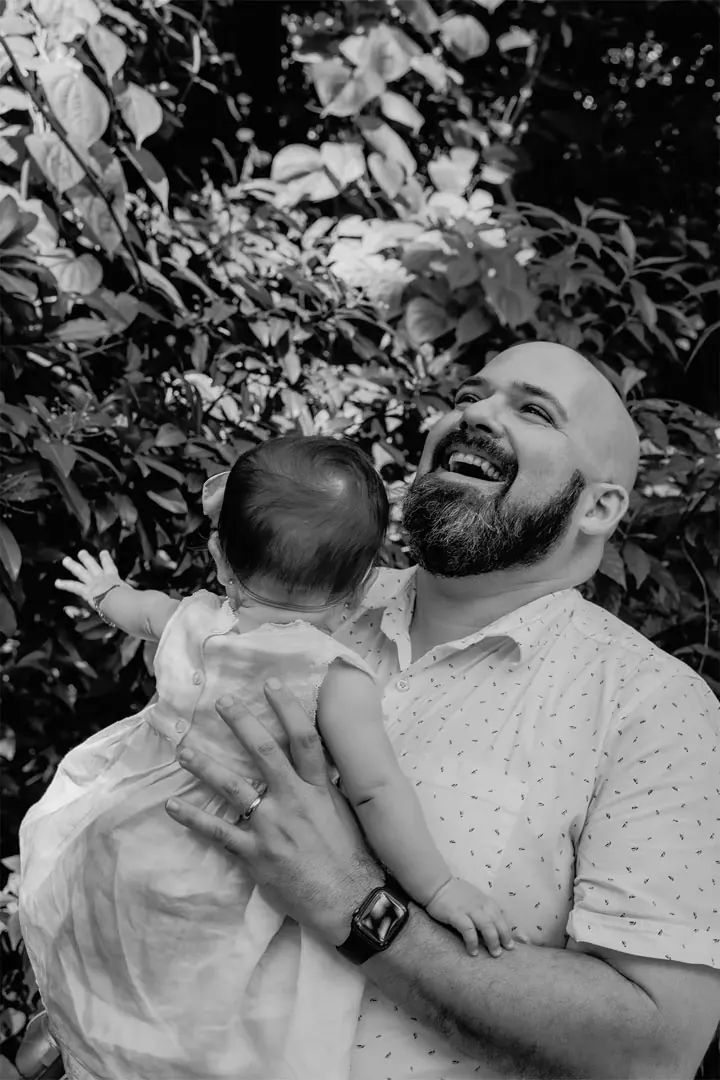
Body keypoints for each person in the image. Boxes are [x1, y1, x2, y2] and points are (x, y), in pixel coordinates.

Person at [167, 342, 720, 1080]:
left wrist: (352, 902)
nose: (475, 414)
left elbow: (653, 1048)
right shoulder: (295, 601)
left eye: (531, 410)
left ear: (600, 505)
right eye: (471, 392)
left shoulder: (654, 707)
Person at [18, 436, 515, 1080]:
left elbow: (140, 612)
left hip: (128, 824)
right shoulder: (335, 677)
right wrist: (439, 887)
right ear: (361, 587)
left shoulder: (195, 620)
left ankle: (84, 1036)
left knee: (121, 945)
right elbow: (377, 792)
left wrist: (104, 590)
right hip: (222, 859)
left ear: (220, 558)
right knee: (212, 986)